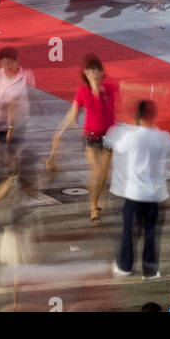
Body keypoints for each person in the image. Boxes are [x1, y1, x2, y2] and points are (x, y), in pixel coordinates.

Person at [107, 100, 170, 280]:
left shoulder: (130, 136)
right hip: (155, 195)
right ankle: (150, 270)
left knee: (128, 231)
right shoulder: (163, 137)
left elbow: (114, 146)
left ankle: (125, 266)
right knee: (151, 234)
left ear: (137, 116)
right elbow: (168, 147)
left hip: (134, 193)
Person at [47, 55, 118, 223]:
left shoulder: (109, 88)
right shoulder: (82, 92)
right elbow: (72, 113)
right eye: (89, 71)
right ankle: (93, 208)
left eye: (96, 70)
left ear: (101, 71)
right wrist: (59, 132)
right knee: (97, 170)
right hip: (91, 136)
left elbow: (128, 90)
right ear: (85, 73)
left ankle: (95, 195)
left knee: (104, 176)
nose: (93, 73)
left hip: (109, 135)